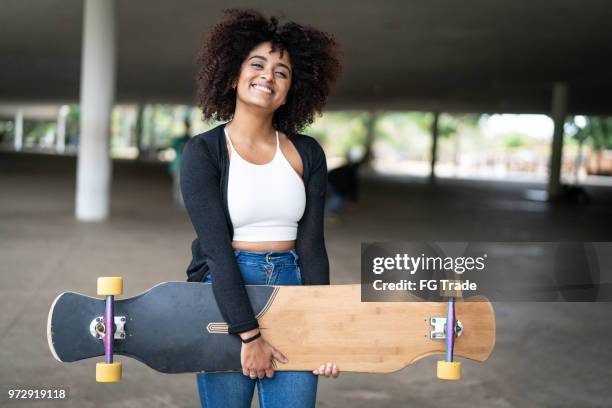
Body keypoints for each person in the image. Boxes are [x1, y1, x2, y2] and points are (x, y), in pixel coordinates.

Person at [180, 9, 342, 408]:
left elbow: (313, 249)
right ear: (233, 76)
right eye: (257, 64)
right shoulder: (203, 152)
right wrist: (248, 335)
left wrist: (320, 328)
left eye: (281, 72)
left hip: (293, 285)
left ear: (291, 91)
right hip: (226, 291)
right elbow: (216, 252)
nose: (268, 76)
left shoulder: (307, 153)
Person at [169, 119, 191, 208]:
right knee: (178, 183)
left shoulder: (188, 139)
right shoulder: (181, 139)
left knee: (181, 183)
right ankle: (178, 199)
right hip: (179, 165)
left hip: (184, 165)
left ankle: (181, 201)